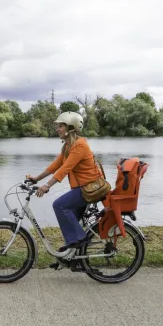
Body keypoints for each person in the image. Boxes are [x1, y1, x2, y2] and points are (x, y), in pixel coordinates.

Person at [26, 111, 105, 260]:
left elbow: (65, 169)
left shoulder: (79, 146)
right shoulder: (68, 146)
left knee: (59, 205)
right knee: (69, 219)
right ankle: (71, 255)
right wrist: (37, 179)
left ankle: (80, 239)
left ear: (71, 128)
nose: (57, 129)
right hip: (82, 188)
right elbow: (55, 166)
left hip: (89, 188)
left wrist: (47, 185)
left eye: (61, 126)